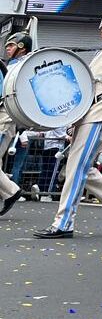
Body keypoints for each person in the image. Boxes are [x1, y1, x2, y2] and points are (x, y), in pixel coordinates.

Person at [32, 9, 102, 238]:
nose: (101, 31)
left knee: (77, 167)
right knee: (80, 167)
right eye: (101, 27)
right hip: (88, 112)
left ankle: (63, 223)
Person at [0, 31, 32, 216]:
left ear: (21, 47)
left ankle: (11, 191)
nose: (7, 48)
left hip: (7, 118)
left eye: (11, 45)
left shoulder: (24, 67)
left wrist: (23, 128)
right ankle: (10, 191)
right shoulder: (10, 66)